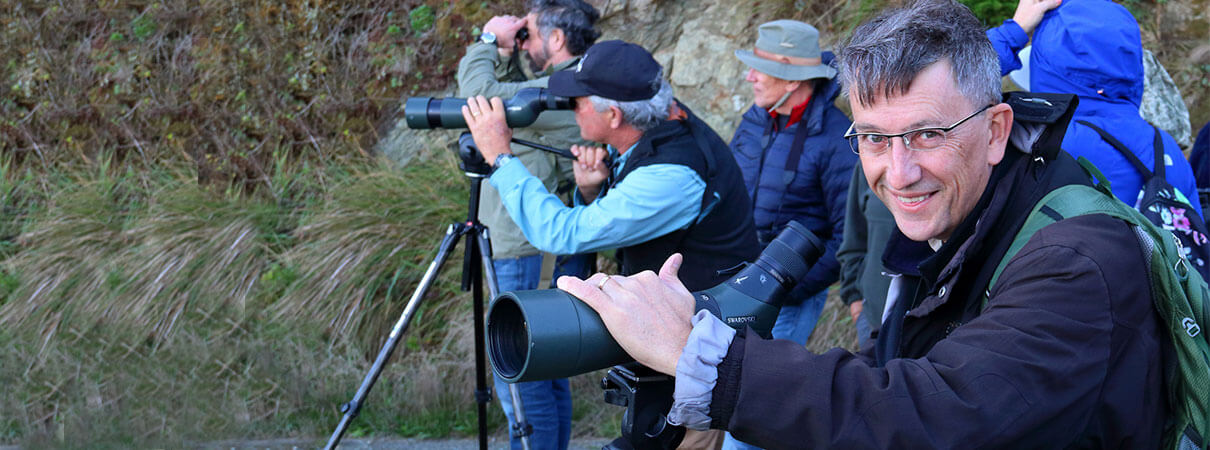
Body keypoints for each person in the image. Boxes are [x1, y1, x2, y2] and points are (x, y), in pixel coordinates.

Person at [555, 0, 1166, 447]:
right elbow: (894, 366)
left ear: (996, 131)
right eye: (874, 138)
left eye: (928, 133)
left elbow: (941, 416)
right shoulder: (967, 221)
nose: (898, 174)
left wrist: (706, 359)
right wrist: (705, 391)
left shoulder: (1076, 259)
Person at [461, 40, 759, 293]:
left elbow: (562, 233)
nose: (570, 106)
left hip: (707, 337)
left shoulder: (670, 176)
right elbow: (627, 228)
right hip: (677, 313)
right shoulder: (664, 116)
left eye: (577, 101)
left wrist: (501, 157)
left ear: (614, 116)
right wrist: (593, 192)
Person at [454, 1, 600, 448]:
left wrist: (486, 43)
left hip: (521, 249)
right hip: (529, 243)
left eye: (531, 34)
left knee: (522, 378)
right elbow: (515, 89)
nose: (525, 41)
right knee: (544, 371)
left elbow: (480, 98)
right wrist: (510, 51)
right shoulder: (567, 83)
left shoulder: (567, 90)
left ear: (556, 40)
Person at [723, 20, 855, 450]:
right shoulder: (756, 119)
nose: (750, 76)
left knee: (755, 410)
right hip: (736, 287)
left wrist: (786, 288)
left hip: (789, 299)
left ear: (793, 78)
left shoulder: (836, 140)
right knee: (734, 402)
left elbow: (847, 236)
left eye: (760, 68)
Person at [988, 0, 1203, 217]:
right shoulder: (1166, 147)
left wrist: (1012, 32)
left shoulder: (1033, 140)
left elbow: (957, 83)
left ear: (1045, 70)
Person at [836, 161, 894, 348]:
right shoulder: (868, 164)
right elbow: (855, 239)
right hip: (874, 324)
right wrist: (854, 299)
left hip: (942, 335)